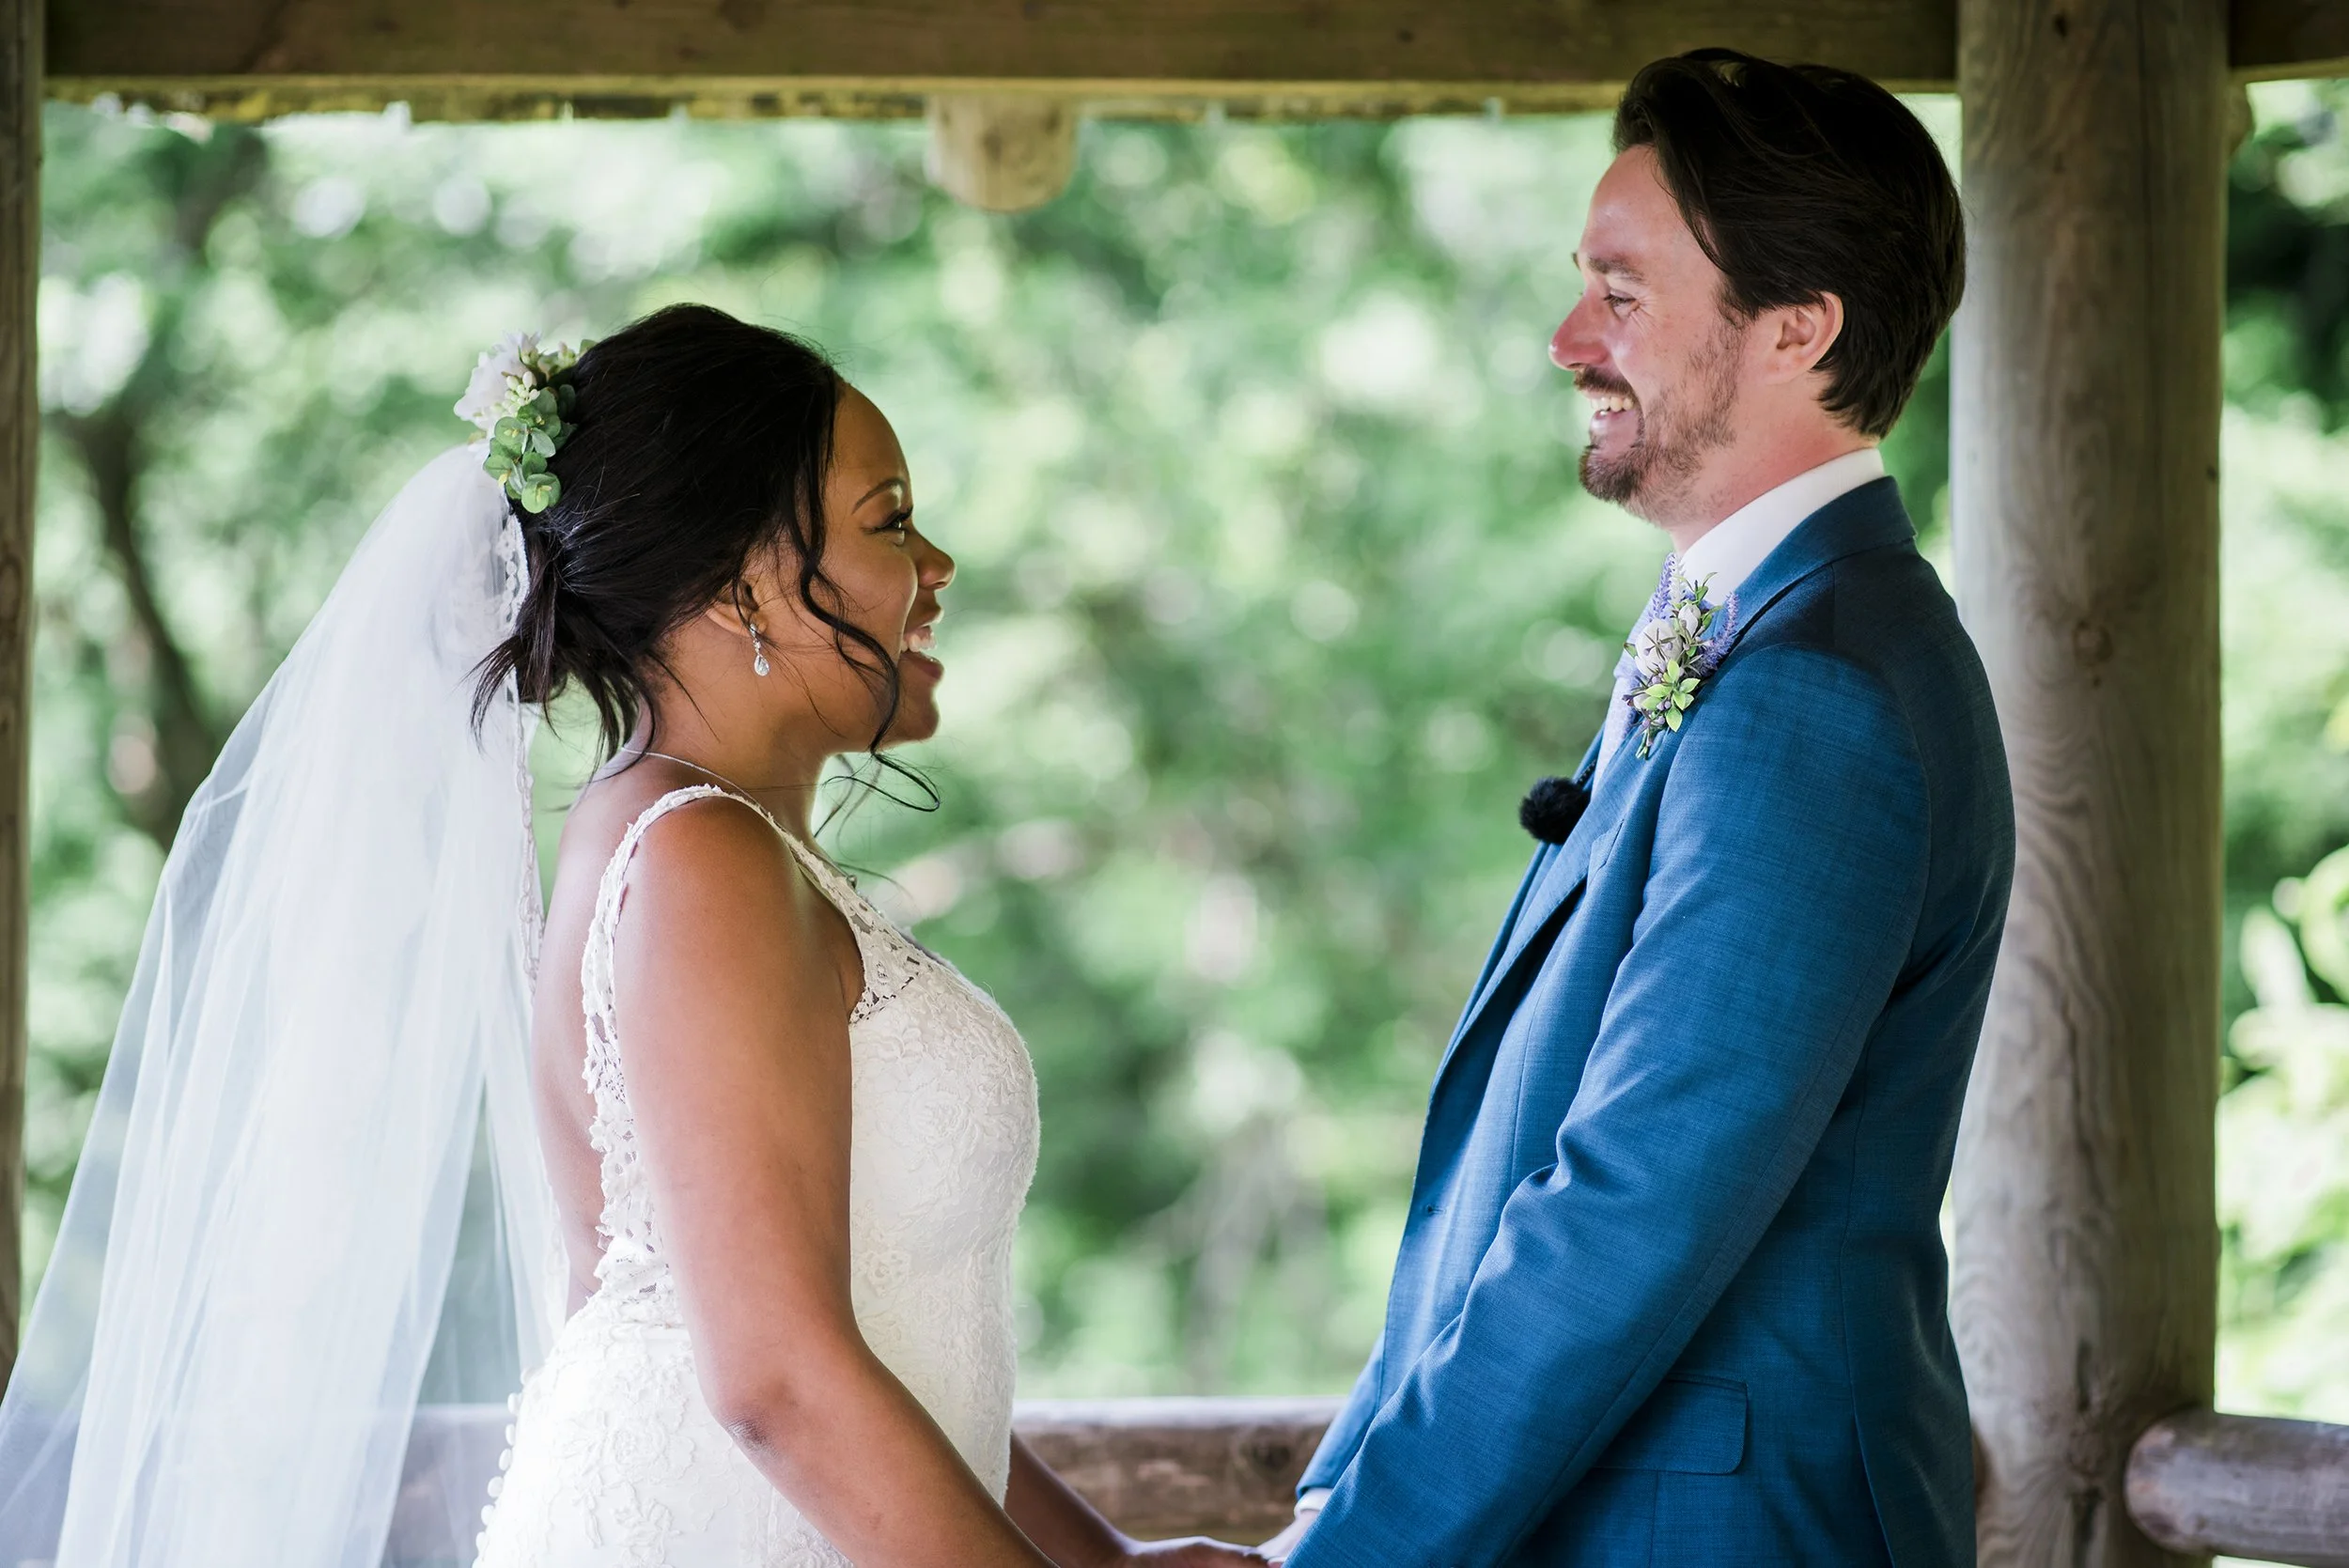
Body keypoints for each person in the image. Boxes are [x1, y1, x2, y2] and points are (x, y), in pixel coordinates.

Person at [0, 304, 1265, 1568]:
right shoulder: (698, 859)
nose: (935, 567)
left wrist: (1111, 1564)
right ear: (738, 587)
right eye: (888, 520)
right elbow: (777, 1380)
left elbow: (895, 1348)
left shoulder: (719, 849)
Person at [1265, 52, 2013, 1568]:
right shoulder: (1787, 632)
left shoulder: (1823, 691)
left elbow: (1635, 1198)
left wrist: (1351, 1557)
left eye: (1620, 292)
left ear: (1799, 328)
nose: (1565, 340)